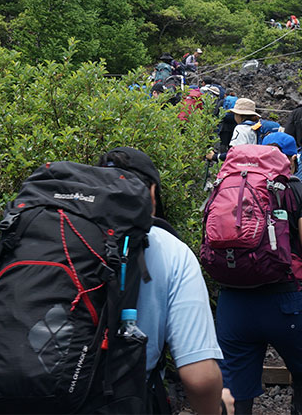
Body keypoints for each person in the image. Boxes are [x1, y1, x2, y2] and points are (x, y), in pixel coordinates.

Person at [213, 134, 302, 415]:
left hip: (233, 303)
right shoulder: (298, 190)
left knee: (236, 389)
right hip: (286, 302)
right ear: (293, 160)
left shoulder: (226, 185)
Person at [98, 147, 224, 415]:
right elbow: (200, 377)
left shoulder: (57, 234)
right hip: (127, 402)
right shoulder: (172, 250)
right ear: (153, 193)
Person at [206, 98, 261, 162]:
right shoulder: (257, 126)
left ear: (239, 115)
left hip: (243, 164)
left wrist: (215, 157)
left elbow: (235, 153)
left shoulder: (241, 128)